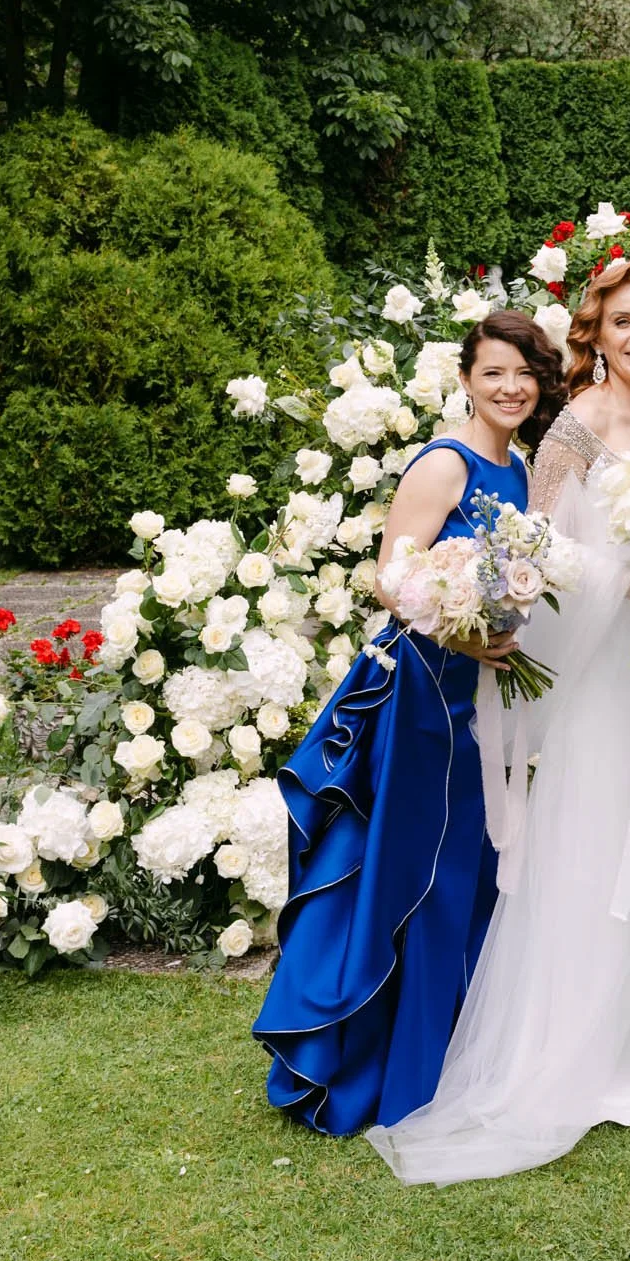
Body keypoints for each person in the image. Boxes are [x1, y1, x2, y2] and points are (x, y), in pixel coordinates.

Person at [368, 260, 630, 1186]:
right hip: (598, 669)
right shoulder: (572, 428)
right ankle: (566, 1051)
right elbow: (538, 553)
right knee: (590, 838)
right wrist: (623, 580)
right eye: (621, 321)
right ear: (596, 334)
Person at [253, 311, 566, 1136]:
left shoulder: (518, 467)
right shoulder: (444, 463)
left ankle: (456, 1052)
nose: (510, 388)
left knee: (468, 869)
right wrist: (460, 629)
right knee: (416, 872)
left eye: (524, 373)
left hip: (481, 697)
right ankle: (383, 1069)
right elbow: (390, 577)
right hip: (426, 695)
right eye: (493, 372)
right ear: (465, 379)